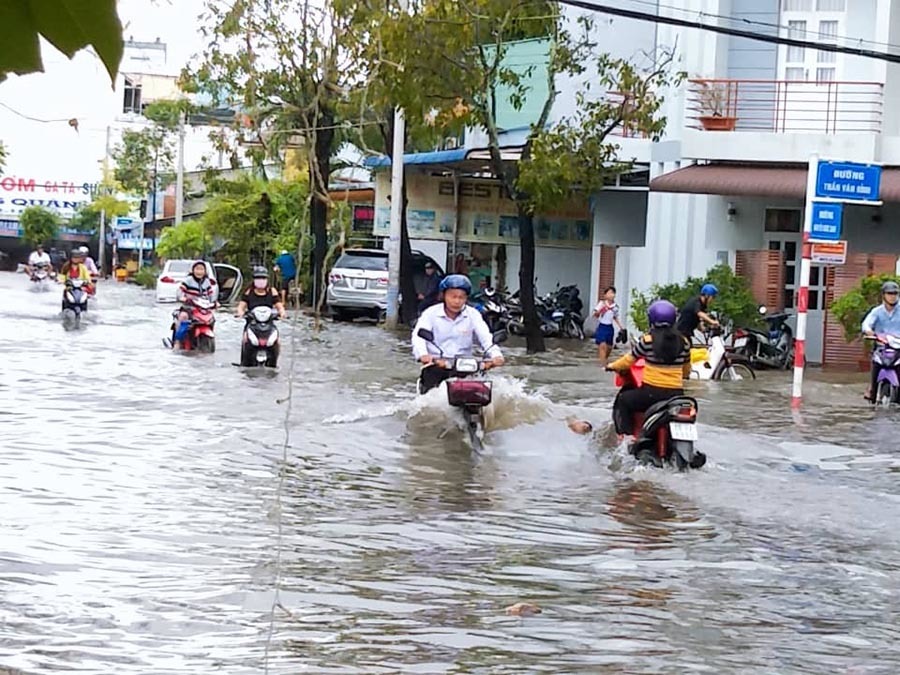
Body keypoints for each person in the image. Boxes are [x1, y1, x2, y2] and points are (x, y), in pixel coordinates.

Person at [608, 300, 691, 437]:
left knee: (623, 399)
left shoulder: (647, 340)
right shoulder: (684, 342)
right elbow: (686, 370)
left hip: (651, 394)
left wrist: (611, 366)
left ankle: (627, 438)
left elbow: (628, 360)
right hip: (676, 395)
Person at [411, 274, 504, 393]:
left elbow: (486, 337)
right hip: (437, 365)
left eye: (461, 297)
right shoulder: (431, 313)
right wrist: (423, 355)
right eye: (453, 296)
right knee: (430, 398)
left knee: (484, 392)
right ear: (443, 295)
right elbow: (418, 337)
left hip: (466, 366)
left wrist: (496, 355)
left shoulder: (473, 314)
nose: (457, 301)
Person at [861, 280, 900, 401]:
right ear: (883, 295)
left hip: (898, 348)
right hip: (881, 347)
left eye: (895, 294)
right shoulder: (877, 311)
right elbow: (866, 324)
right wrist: (868, 331)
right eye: (890, 293)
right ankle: (872, 389)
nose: (892, 297)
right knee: (876, 363)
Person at [173, 261, 217, 350]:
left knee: (212, 318)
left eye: (201, 269)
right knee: (183, 317)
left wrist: (215, 302)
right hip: (189, 307)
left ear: (205, 271)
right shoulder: (188, 280)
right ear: (193, 270)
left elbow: (211, 295)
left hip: (203, 308)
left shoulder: (207, 282)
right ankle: (177, 342)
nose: (199, 272)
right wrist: (182, 298)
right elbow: (180, 291)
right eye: (197, 269)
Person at [593, 286, 626, 367]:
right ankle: (603, 364)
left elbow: (615, 317)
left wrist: (621, 327)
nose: (612, 295)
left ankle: (604, 360)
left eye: (613, 293)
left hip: (610, 327)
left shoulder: (615, 307)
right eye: (610, 293)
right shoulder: (601, 303)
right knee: (602, 345)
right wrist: (601, 310)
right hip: (602, 326)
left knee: (609, 347)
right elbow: (595, 315)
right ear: (605, 295)